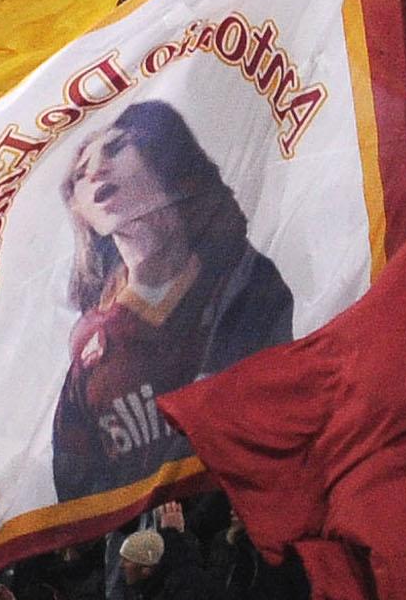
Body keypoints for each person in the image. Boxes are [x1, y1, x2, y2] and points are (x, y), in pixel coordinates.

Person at [48, 99, 295, 504]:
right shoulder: (91, 351)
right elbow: (77, 496)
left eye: (115, 148)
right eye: (79, 174)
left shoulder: (245, 281)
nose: (95, 171)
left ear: (158, 158)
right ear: (81, 212)